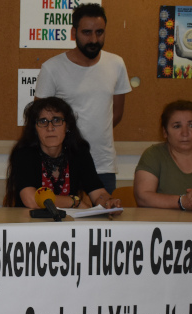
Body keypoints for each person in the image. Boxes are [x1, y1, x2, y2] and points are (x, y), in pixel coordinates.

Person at [33, 3, 131, 194]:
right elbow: (40, 119)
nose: (94, 39)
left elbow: (117, 113)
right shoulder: (52, 68)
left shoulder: (117, 64)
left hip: (103, 165)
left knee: (105, 212)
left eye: (99, 32)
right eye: (87, 32)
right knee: (63, 212)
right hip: (64, 165)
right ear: (73, 32)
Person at [5, 97, 121, 212]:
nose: (50, 128)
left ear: (67, 126)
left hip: (69, 221)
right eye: (43, 121)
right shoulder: (24, 154)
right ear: (35, 129)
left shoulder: (79, 152)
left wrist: (109, 202)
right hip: (30, 221)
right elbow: (31, 200)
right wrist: (74, 202)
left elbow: (98, 193)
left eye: (56, 120)